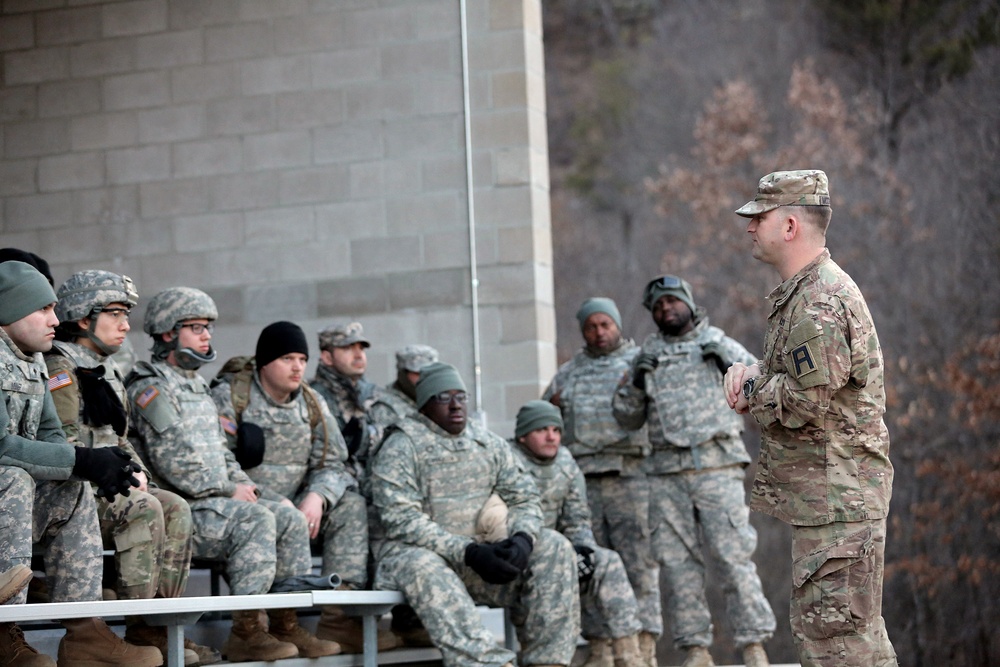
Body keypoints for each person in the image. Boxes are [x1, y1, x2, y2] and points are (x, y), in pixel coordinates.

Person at [725, 169, 897, 667]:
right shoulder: (805, 293)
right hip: (831, 500)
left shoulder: (818, 301)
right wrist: (754, 373)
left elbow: (806, 398)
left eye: (760, 216)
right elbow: (812, 380)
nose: (750, 227)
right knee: (852, 639)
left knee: (836, 645)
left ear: (791, 225)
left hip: (838, 503)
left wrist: (752, 387)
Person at [126, 287, 336, 661]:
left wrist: (250, 487)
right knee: (253, 520)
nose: (207, 335)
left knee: (286, 514)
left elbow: (221, 454)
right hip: (184, 509)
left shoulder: (198, 387)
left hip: (214, 501)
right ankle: (247, 630)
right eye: (196, 327)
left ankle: (285, 625)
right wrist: (229, 490)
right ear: (167, 332)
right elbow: (175, 464)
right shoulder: (151, 387)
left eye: (208, 327)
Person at [44, 271, 214, 667]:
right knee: (144, 507)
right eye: (115, 314)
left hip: (111, 483)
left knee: (174, 506)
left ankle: (152, 625)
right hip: (79, 491)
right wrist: (124, 479)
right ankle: (132, 621)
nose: (125, 325)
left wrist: (140, 475)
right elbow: (64, 444)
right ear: (84, 318)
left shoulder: (106, 369)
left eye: (127, 315)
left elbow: (120, 439)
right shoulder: (61, 367)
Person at [0, 261, 162, 667]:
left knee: (72, 485)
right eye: (42, 309)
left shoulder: (32, 358)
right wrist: (81, 457)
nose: (55, 320)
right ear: (9, 310)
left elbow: (51, 435)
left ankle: (84, 630)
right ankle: (5, 629)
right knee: (15, 475)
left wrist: (86, 465)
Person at [370, 362, 580, 667]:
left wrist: (522, 538)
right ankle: (489, 663)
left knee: (555, 545)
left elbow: (524, 497)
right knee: (420, 563)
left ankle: (548, 662)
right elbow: (401, 520)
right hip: (419, 562)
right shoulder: (402, 445)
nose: (456, 406)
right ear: (425, 403)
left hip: (480, 558)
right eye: (443, 398)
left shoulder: (487, 443)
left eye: (461, 397)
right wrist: (467, 551)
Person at [613, 275, 775, 667]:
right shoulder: (645, 357)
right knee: (678, 567)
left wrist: (730, 368)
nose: (666, 309)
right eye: (658, 307)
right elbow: (625, 417)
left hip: (717, 468)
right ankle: (695, 649)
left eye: (672, 302)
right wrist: (636, 382)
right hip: (666, 474)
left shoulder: (718, 343)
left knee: (733, 557)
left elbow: (764, 387)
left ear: (688, 304)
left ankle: (753, 646)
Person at [209, 321, 390, 654]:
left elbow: (335, 462)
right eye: (287, 359)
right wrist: (275, 500)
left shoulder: (311, 402)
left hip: (303, 509)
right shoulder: (231, 396)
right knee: (270, 519)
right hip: (252, 502)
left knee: (350, 507)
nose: (297, 368)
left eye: (302, 360)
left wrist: (317, 497)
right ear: (265, 362)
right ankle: (260, 625)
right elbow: (218, 459)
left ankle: (338, 619)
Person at [542, 297, 661, 667]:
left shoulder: (638, 363)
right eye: (591, 326)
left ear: (617, 325)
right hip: (583, 483)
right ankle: (600, 646)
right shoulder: (567, 374)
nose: (599, 332)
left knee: (638, 563)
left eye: (605, 324)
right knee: (589, 565)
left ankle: (642, 646)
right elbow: (546, 419)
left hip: (631, 478)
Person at [507, 400, 642, 667]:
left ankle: (626, 655)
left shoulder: (566, 463)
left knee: (606, 562)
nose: (551, 437)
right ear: (523, 435)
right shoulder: (506, 460)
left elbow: (577, 517)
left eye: (556, 430)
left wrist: (583, 550)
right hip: (520, 555)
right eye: (541, 430)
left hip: (563, 550)